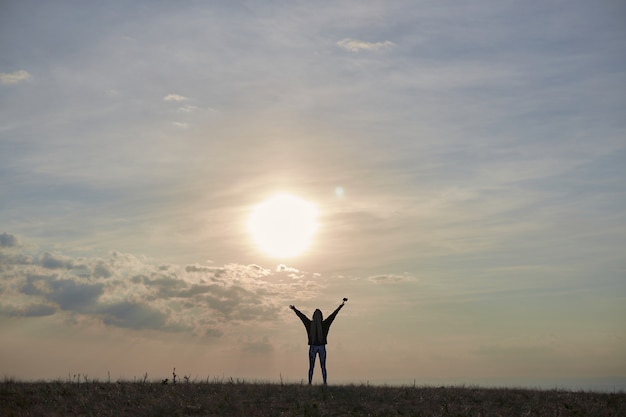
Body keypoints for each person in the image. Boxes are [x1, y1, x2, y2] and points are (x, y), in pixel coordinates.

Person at [289, 299, 346, 385]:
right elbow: (302, 316)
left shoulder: (315, 324)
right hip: (318, 347)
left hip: (316, 347)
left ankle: (317, 382)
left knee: (318, 366)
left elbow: (333, 315)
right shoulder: (321, 324)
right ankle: (317, 382)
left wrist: (340, 306)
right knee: (316, 366)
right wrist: (294, 309)